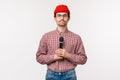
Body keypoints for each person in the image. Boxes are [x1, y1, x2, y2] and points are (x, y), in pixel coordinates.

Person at [36, 4, 87, 80]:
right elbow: (39, 57)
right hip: (51, 75)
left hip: (70, 75)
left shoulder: (76, 38)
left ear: (68, 18)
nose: (62, 18)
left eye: (64, 15)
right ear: (55, 18)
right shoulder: (46, 36)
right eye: (59, 15)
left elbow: (83, 59)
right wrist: (53, 57)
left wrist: (68, 55)